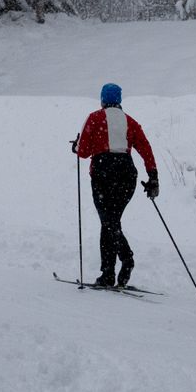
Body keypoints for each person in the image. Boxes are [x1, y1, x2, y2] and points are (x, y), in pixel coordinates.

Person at [73, 83, 158, 288]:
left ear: (103, 100)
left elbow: (83, 152)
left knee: (108, 222)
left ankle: (125, 260)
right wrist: (153, 176)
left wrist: (76, 146)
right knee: (110, 223)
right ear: (119, 100)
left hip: (103, 172)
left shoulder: (95, 118)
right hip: (127, 173)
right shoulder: (130, 122)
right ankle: (108, 274)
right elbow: (145, 148)